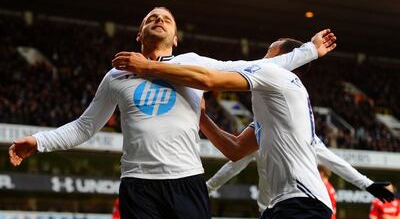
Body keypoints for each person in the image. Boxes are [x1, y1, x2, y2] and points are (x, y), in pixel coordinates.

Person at [9, 7, 330, 219]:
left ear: (175, 38)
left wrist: (311, 50)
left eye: (166, 18)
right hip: (137, 184)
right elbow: (84, 127)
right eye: (151, 18)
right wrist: (38, 141)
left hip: (187, 182)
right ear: (139, 35)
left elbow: (262, 68)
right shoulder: (116, 76)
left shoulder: (194, 63)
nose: (158, 19)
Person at [111, 31, 395, 219]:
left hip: (303, 202)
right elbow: (235, 150)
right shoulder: (272, 110)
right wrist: (199, 117)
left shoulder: (275, 75)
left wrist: (148, 67)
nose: (261, 59)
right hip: (281, 205)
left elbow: (210, 79)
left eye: (269, 53)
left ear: (283, 60)